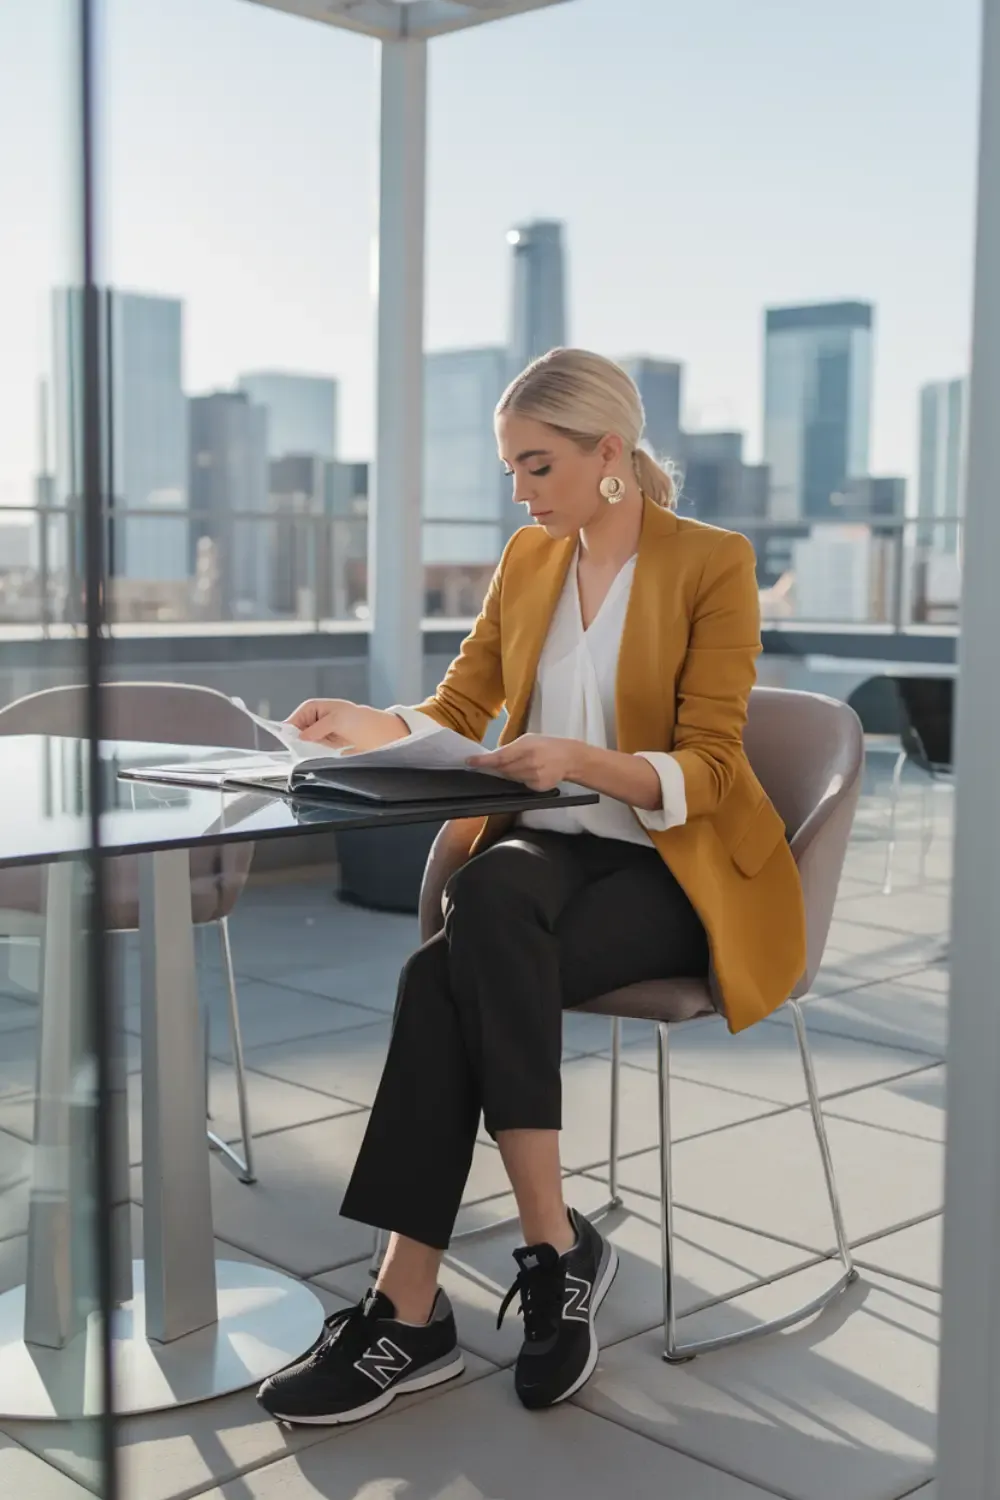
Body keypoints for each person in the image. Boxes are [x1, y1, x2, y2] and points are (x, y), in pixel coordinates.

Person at [256, 348, 806, 1427]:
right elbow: (464, 705)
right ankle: (548, 1252)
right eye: (511, 468)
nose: (520, 490)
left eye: (537, 465)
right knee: (496, 897)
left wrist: (583, 764)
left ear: (611, 456)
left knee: (451, 961)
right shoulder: (528, 560)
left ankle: (406, 1314)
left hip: (668, 865)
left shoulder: (711, 561)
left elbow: (710, 762)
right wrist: (364, 727)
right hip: (549, 860)